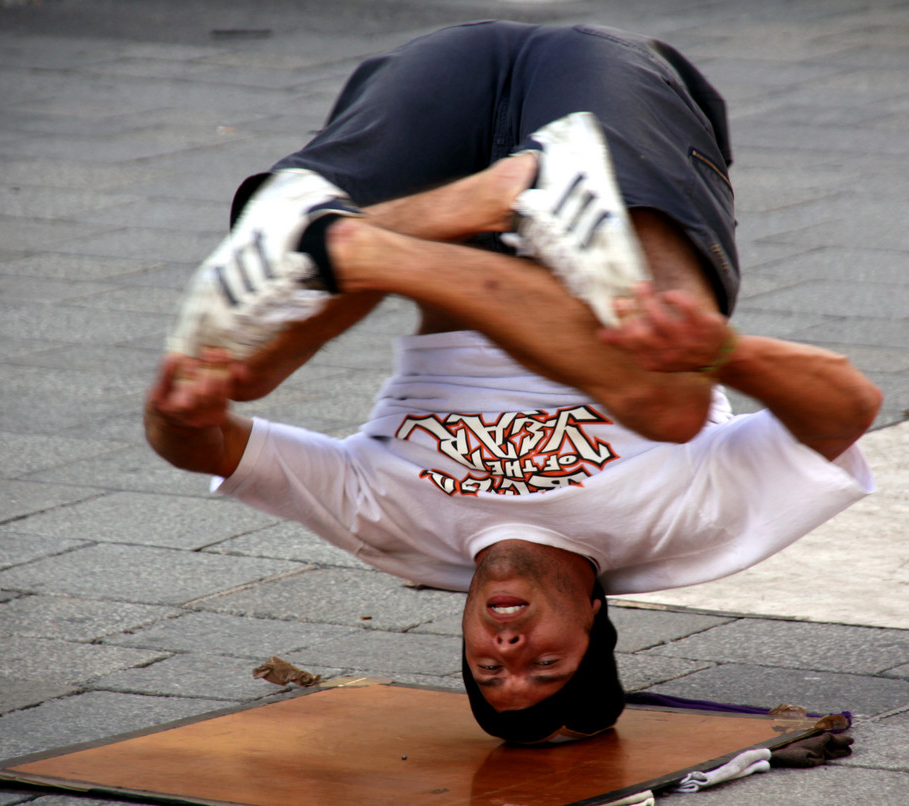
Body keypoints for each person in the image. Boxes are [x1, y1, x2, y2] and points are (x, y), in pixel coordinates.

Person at [144, 22, 881, 745]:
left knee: (252, 367)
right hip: (605, 141)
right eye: (546, 663)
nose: (510, 647)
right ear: (594, 620)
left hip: (442, 106)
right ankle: (391, 233)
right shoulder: (678, 529)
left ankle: (370, 231)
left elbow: (208, 448)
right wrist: (726, 354)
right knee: (674, 402)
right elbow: (845, 411)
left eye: (488, 668)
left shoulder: (394, 531)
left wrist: (180, 410)